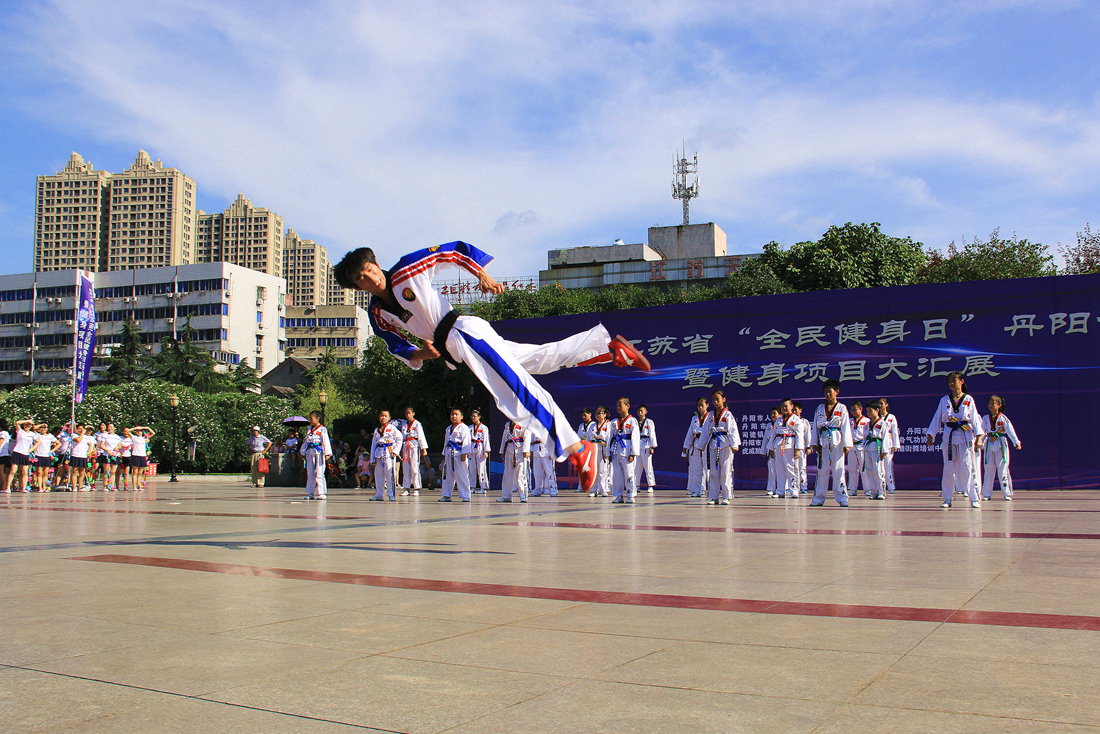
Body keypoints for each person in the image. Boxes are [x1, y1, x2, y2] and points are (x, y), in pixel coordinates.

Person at [332, 242, 652, 492]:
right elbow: (397, 346)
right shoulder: (377, 313)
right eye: (359, 280)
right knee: (539, 359)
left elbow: (452, 250)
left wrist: (480, 272)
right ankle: (610, 351)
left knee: (515, 387)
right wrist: (421, 355)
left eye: (367, 269)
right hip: (454, 349)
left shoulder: (406, 269)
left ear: (375, 263)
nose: (368, 278)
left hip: (464, 332)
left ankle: (574, 446)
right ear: (357, 287)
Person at [925, 371, 985, 509]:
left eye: (954, 380)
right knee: (948, 469)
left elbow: (975, 419)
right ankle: (947, 498)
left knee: (968, 468)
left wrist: (979, 437)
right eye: (949, 381)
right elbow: (937, 418)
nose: (952, 383)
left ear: (961, 382)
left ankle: (974, 498)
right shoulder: (944, 400)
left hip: (965, 437)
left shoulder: (969, 399)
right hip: (949, 436)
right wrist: (930, 435)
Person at [810, 379, 853, 507]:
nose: (828, 395)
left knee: (838, 469)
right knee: (822, 470)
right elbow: (815, 427)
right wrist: (814, 442)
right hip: (823, 440)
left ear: (837, 392)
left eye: (830, 392)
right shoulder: (820, 408)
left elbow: (845, 426)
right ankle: (818, 498)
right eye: (826, 392)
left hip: (837, 440)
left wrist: (847, 444)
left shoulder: (842, 408)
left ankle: (842, 497)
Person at [701, 389, 739, 505]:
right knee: (713, 472)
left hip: (725, 444)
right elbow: (705, 431)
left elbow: (732, 430)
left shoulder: (728, 414)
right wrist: (701, 445)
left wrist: (734, 444)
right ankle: (714, 496)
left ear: (723, 399)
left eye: (718, 399)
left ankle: (726, 496)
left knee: (726, 471)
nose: (716, 402)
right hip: (713, 445)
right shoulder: (711, 415)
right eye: (713, 400)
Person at [982, 395, 1021, 501]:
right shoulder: (985, 418)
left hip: (1000, 444)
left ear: (999, 405)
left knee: (1003, 468)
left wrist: (1016, 442)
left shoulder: (1003, 418)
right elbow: (981, 431)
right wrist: (978, 442)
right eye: (989, 403)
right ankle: (987, 493)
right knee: (988, 469)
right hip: (989, 443)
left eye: (993, 403)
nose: (990, 405)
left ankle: (1006, 493)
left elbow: (1010, 430)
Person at [609, 397, 640, 504]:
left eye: (620, 405)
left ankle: (631, 495)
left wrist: (633, 453)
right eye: (617, 405)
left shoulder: (632, 421)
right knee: (617, 474)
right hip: (616, 450)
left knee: (629, 473)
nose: (618, 407)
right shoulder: (613, 422)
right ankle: (618, 495)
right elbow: (610, 438)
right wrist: (608, 453)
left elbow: (635, 437)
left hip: (627, 451)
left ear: (627, 406)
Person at [369, 409, 403, 501]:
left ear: (389, 418)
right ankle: (379, 494)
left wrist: (396, 451)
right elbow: (373, 445)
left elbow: (400, 439)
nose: (383, 418)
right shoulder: (376, 430)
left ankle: (391, 494)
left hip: (388, 452)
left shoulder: (392, 428)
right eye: (381, 416)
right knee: (378, 475)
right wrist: (372, 459)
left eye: (385, 416)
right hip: (378, 453)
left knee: (390, 473)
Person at [772, 399, 803, 499]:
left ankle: (794, 490)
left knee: (791, 468)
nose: (784, 408)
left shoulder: (796, 419)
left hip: (790, 444)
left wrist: (798, 449)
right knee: (779, 469)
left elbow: (799, 435)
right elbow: (774, 434)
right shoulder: (779, 420)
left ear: (791, 406)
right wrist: (771, 448)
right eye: (782, 406)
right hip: (779, 444)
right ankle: (780, 490)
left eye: (786, 406)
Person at [440, 407, 472, 502]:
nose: (454, 416)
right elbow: (446, 442)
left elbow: (466, 442)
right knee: (447, 475)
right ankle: (446, 495)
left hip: (459, 453)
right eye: (452, 414)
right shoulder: (448, 428)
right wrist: (444, 456)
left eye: (456, 414)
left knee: (462, 474)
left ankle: (466, 495)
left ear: (461, 416)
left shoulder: (464, 427)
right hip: (449, 452)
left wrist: (464, 454)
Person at [861, 400, 890, 500]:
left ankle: (881, 492)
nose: (869, 413)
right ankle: (873, 492)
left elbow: (886, 437)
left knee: (878, 470)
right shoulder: (867, 424)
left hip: (877, 448)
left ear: (877, 410)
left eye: (871, 410)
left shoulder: (882, 423)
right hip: (868, 448)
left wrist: (884, 451)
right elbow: (864, 437)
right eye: (867, 411)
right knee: (870, 471)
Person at [300, 411, 333, 500]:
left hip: (319, 452)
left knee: (319, 472)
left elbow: (326, 441)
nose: (310, 420)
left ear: (317, 418)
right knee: (310, 472)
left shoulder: (322, 429)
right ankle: (311, 492)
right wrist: (302, 451)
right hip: (310, 451)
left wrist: (327, 453)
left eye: (312, 418)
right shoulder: (309, 429)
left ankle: (321, 493)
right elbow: (306, 441)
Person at [682, 397, 710, 498]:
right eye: (698, 405)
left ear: (707, 405)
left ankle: (711, 490)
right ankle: (697, 490)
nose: (700, 407)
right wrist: (686, 447)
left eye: (702, 405)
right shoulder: (694, 418)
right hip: (696, 444)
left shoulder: (710, 417)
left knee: (708, 469)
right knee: (697, 469)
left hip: (707, 444)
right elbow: (690, 434)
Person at [498, 420, 531, 503]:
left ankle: (523, 496)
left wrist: (526, 450)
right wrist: (502, 451)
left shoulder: (523, 423)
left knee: (521, 473)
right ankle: (506, 496)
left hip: (519, 450)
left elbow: (527, 436)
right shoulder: (507, 424)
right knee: (507, 473)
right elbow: (504, 438)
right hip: (509, 449)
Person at [400, 406, 428, 496]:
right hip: (406, 446)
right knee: (405, 467)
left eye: (409, 413)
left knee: (415, 467)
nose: (408, 415)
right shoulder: (404, 424)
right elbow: (401, 437)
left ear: (413, 413)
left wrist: (424, 450)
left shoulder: (417, 424)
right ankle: (407, 488)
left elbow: (421, 437)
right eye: (406, 413)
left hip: (414, 446)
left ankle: (416, 488)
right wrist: (400, 449)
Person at [7, 419, 36, 492]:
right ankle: (7, 488)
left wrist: (31, 449)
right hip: (17, 451)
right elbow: (17, 422)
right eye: (26, 425)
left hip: (25, 453)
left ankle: (23, 488)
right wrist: (27, 420)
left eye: (29, 425)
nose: (27, 426)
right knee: (13, 470)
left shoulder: (32, 434)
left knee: (24, 472)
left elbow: (38, 442)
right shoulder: (20, 431)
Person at [590, 406, 612, 497]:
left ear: (605, 414)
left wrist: (608, 452)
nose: (598, 415)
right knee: (594, 470)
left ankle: (603, 489)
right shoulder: (593, 425)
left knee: (603, 470)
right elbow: (590, 437)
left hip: (604, 448)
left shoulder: (608, 424)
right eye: (597, 414)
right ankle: (594, 490)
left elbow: (608, 437)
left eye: (600, 413)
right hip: (595, 448)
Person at [847, 401, 868, 497]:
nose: (853, 412)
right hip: (852, 446)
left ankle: (868, 489)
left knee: (864, 469)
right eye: (852, 410)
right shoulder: (850, 421)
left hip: (862, 446)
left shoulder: (866, 421)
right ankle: (852, 489)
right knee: (852, 469)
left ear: (861, 409)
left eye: (855, 409)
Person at [879, 398, 900, 493]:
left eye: (882, 403)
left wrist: (895, 444)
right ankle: (881, 487)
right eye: (878, 404)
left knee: (888, 465)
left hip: (888, 443)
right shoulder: (876, 417)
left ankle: (891, 486)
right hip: (878, 443)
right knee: (879, 467)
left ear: (886, 405)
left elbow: (895, 431)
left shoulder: (891, 417)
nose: (880, 405)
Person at [635, 404, 658, 492]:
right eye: (638, 411)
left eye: (641, 411)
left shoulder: (649, 422)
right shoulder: (635, 422)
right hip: (638, 445)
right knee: (637, 467)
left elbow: (652, 435)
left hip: (646, 445)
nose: (640, 413)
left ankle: (650, 485)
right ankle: (637, 485)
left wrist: (652, 447)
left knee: (648, 466)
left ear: (646, 412)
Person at [468, 409, 491, 494]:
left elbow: (486, 440)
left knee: (481, 468)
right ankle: (472, 486)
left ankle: (483, 487)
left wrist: (486, 451)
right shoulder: (469, 428)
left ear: (479, 417)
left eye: (475, 416)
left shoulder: (484, 427)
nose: (473, 418)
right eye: (472, 416)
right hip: (471, 448)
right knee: (472, 469)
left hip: (480, 448)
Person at [31, 424, 59, 493]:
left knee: (46, 473)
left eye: (44, 428)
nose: (43, 429)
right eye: (41, 428)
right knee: (39, 472)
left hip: (46, 456)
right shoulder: (37, 435)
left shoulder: (50, 436)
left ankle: (44, 487)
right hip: (39, 455)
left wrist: (52, 451)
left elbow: (58, 443)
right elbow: (33, 428)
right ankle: (40, 487)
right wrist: (41, 425)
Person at [68, 425, 95, 492]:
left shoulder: (86, 437)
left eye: (81, 429)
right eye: (79, 429)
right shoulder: (73, 435)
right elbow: (78, 440)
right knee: (75, 471)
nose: (80, 430)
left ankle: (80, 486)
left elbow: (90, 444)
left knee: (82, 472)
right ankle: (74, 487)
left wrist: (89, 452)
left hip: (83, 456)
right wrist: (82, 432)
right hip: (75, 455)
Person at [792, 402, 811, 494]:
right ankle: (795, 486)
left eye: (796, 410)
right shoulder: (790, 421)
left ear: (800, 410)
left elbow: (808, 435)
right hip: (792, 447)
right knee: (794, 468)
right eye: (793, 410)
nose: (794, 412)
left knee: (802, 467)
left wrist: (808, 446)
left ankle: (804, 486)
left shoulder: (805, 422)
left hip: (802, 447)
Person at [575, 408, 596, 492]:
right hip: (582, 449)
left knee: (591, 468)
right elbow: (578, 436)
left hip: (591, 447)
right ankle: (581, 487)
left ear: (590, 414)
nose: (584, 417)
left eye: (585, 415)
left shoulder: (594, 424)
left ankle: (592, 487)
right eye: (582, 415)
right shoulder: (581, 425)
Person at [129, 426, 154, 491]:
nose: (139, 432)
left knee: (140, 473)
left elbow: (153, 433)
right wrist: (135, 428)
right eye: (138, 431)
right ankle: (134, 486)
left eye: (140, 431)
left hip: (142, 456)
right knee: (135, 472)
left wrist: (146, 427)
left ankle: (139, 485)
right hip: (135, 455)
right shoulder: (134, 437)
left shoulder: (144, 438)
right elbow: (128, 431)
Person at [762, 407, 780, 497]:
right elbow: (765, 438)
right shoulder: (769, 425)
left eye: (775, 413)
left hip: (780, 449)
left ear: (780, 414)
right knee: (771, 470)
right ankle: (771, 488)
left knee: (781, 470)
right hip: (770, 450)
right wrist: (763, 450)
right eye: (772, 413)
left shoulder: (782, 424)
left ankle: (784, 488)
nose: (773, 415)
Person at [0, 418, 10, 492]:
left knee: (1, 471)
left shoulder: (3, 433)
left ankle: (3, 487)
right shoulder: (6, 433)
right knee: (5, 472)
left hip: (2, 454)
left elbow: (1, 441)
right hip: (6, 454)